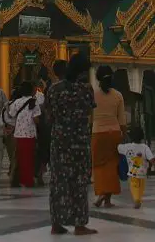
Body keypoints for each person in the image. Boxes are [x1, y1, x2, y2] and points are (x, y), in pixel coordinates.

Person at [47, 53, 96, 236]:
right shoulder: (86, 89)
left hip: (59, 141)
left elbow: (49, 115)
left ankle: (56, 223)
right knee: (79, 182)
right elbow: (90, 111)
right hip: (79, 142)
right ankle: (79, 224)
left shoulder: (54, 89)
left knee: (58, 182)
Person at [91, 64, 125, 208]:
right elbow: (122, 120)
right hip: (114, 133)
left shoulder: (93, 95)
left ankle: (101, 193)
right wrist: (125, 136)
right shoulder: (118, 95)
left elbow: (89, 118)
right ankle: (108, 199)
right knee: (112, 166)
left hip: (98, 132)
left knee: (99, 166)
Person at [5, 81, 40, 188]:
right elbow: (36, 118)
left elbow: (10, 114)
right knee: (29, 158)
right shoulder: (33, 102)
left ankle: (17, 180)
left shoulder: (16, 102)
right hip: (29, 133)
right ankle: (28, 180)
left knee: (19, 157)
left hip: (18, 133)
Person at [117, 124, 154, 209]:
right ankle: (139, 199)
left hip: (132, 172)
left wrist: (122, 136)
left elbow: (117, 147)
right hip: (143, 172)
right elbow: (151, 159)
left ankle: (136, 199)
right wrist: (151, 165)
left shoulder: (127, 147)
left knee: (134, 186)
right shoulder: (145, 147)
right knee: (141, 187)